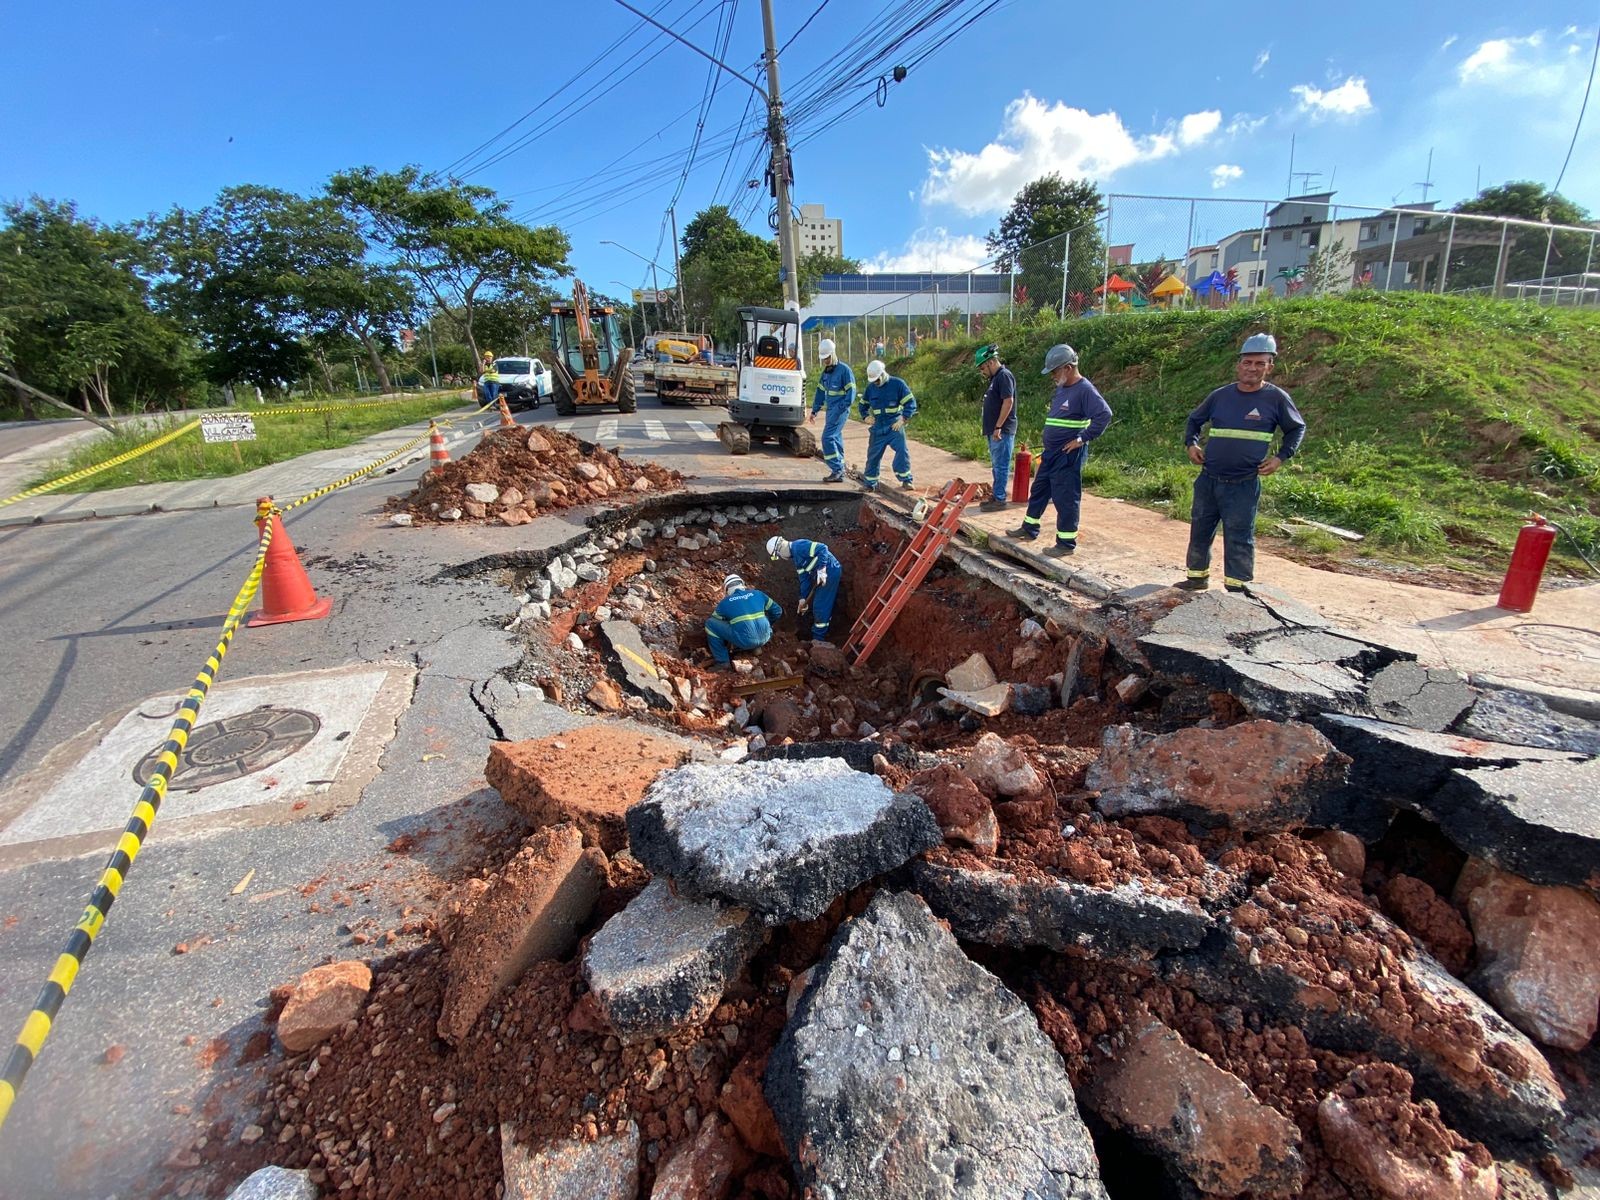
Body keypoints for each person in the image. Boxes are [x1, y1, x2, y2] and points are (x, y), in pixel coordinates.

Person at [1178, 332, 1305, 593]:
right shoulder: (1220, 396)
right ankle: (1196, 577)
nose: (1252, 368)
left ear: (1270, 366)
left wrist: (1281, 458)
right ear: (1239, 364)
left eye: (1260, 363)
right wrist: (1191, 443)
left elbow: (1296, 429)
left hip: (1243, 483)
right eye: (1248, 362)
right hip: (1209, 479)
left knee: (1239, 536)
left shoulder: (1276, 399)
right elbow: (1194, 420)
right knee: (1200, 530)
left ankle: (1238, 588)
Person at [1009, 344, 1112, 557]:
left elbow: (1104, 414)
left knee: (1065, 497)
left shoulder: (1085, 390)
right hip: (1052, 452)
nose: (1053, 376)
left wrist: (1082, 439)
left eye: (1055, 371)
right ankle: (1029, 528)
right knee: (1039, 490)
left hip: (1068, 455)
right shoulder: (1063, 388)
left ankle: (1066, 543)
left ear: (1067, 367)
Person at [767, 535, 842, 642]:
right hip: (821, 576)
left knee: (820, 606)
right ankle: (819, 634)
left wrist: (822, 569)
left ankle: (818, 639)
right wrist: (802, 599)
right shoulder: (797, 560)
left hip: (830, 571)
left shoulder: (799, 546)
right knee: (819, 605)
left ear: (779, 549)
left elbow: (823, 548)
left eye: (778, 556)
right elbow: (804, 580)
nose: (782, 558)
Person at [857, 359, 917, 491]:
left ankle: (906, 480)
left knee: (902, 451)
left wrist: (902, 419)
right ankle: (870, 484)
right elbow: (862, 405)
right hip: (878, 426)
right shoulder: (871, 388)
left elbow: (910, 403)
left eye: (877, 380)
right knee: (873, 455)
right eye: (874, 381)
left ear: (883, 374)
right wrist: (866, 416)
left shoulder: (898, 384)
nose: (876, 383)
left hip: (894, 425)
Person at [704, 573, 783, 671]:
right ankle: (756, 647)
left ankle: (722, 662)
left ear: (727, 590)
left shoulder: (725, 602)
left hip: (744, 640)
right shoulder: (758, 593)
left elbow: (716, 619)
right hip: (766, 636)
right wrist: (767, 625)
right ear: (742, 584)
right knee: (759, 618)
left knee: (710, 624)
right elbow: (777, 611)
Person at [807, 338, 855, 483]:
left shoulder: (844, 370)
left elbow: (851, 393)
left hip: (840, 410)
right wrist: (815, 410)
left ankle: (837, 469)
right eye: (823, 359)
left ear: (833, 354)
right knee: (835, 437)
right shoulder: (826, 373)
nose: (825, 361)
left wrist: (841, 408)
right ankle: (839, 467)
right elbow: (820, 392)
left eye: (827, 358)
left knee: (827, 438)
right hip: (831, 410)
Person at [976, 343, 1017, 512]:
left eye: (983, 368)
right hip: (994, 430)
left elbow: (1008, 402)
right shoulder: (995, 378)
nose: (982, 372)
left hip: (1002, 430)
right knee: (996, 464)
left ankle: (1000, 499)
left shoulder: (1004, 376)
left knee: (1001, 465)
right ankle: (996, 494)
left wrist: (998, 426)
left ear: (991, 362)